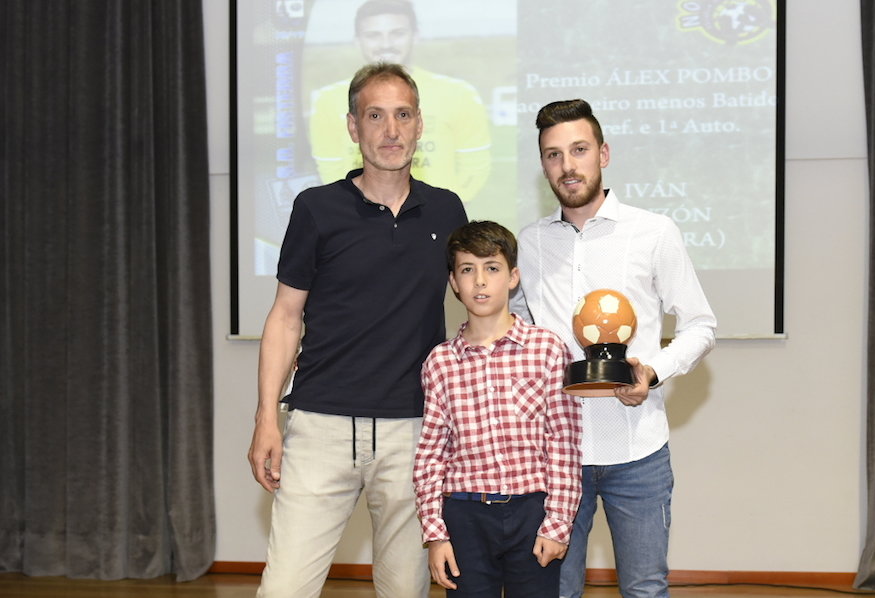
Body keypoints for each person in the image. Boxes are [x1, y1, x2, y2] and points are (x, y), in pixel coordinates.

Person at [247, 62, 468, 598]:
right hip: (320, 427)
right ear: (352, 126)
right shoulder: (316, 208)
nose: (391, 130)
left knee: (405, 591)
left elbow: (480, 304)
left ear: (418, 125)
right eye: (376, 115)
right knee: (285, 590)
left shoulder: (447, 209)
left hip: (413, 433)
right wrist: (266, 418)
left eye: (403, 115)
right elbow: (284, 316)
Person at [509, 99, 717, 598]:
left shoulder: (654, 232)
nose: (567, 165)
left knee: (645, 589)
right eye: (554, 155)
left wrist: (654, 371)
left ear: (603, 153)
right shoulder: (529, 244)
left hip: (638, 449)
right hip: (555, 455)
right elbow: (511, 330)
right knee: (557, 591)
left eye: (578, 150)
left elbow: (701, 325)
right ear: (543, 165)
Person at [413, 220, 582, 597]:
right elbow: (430, 455)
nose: (480, 281)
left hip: (531, 512)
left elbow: (564, 442)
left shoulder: (547, 349)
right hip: (464, 515)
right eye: (467, 270)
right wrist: (436, 534)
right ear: (454, 282)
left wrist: (557, 524)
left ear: (513, 277)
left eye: (492, 268)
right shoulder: (440, 362)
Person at [308, 0, 492, 201]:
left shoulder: (459, 93)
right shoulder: (328, 100)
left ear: (416, 35)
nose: (386, 44)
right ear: (357, 40)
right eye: (373, 35)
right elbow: (329, 169)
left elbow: (475, 166)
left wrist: (440, 209)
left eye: (397, 33)